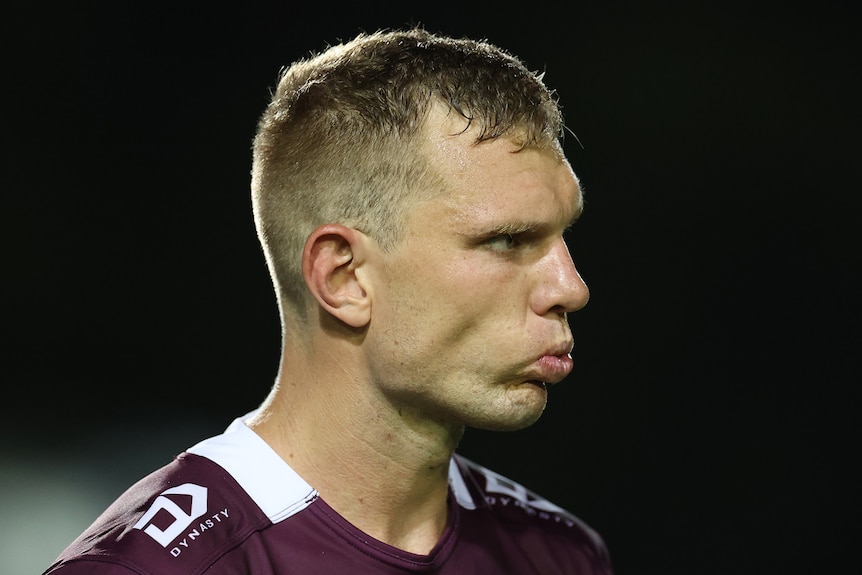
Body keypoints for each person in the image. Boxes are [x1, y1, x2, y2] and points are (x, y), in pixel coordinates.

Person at [43, 27, 613, 574]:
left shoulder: (561, 553)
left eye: (564, 238)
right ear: (344, 277)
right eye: (507, 240)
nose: (571, 287)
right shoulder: (152, 569)